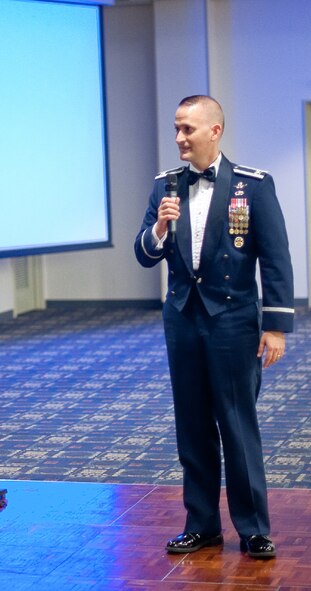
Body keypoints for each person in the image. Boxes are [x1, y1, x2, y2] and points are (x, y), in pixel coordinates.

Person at [134, 95, 293, 559]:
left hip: (234, 321)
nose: (180, 138)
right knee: (193, 426)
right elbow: (143, 254)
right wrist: (160, 230)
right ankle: (201, 523)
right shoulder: (165, 187)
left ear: (214, 131)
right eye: (177, 129)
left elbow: (276, 258)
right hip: (183, 320)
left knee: (237, 426)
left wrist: (276, 326)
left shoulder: (253, 186)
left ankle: (253, 528)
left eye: (188, 129)